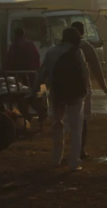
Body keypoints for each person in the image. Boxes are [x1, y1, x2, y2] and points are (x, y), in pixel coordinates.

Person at [36, 27, 89, 171]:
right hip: (75, 95)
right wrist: (86, 92)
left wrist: (34, 89)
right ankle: (74, 162)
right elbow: (84, 73)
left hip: (58, 94)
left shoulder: (52, 52)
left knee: (57, 125)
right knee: (76, 127)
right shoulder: (77, 52)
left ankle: (56, 159)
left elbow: (42, 73)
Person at [71, 21, 107, 160]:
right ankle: (80, 149)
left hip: (65, 87)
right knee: (84, 119)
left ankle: (68, 149)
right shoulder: (86, 46)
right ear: (82, 32)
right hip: (83, 86)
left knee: (67, 119)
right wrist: (103, 86)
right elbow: (96, 67)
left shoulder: (59, 47)